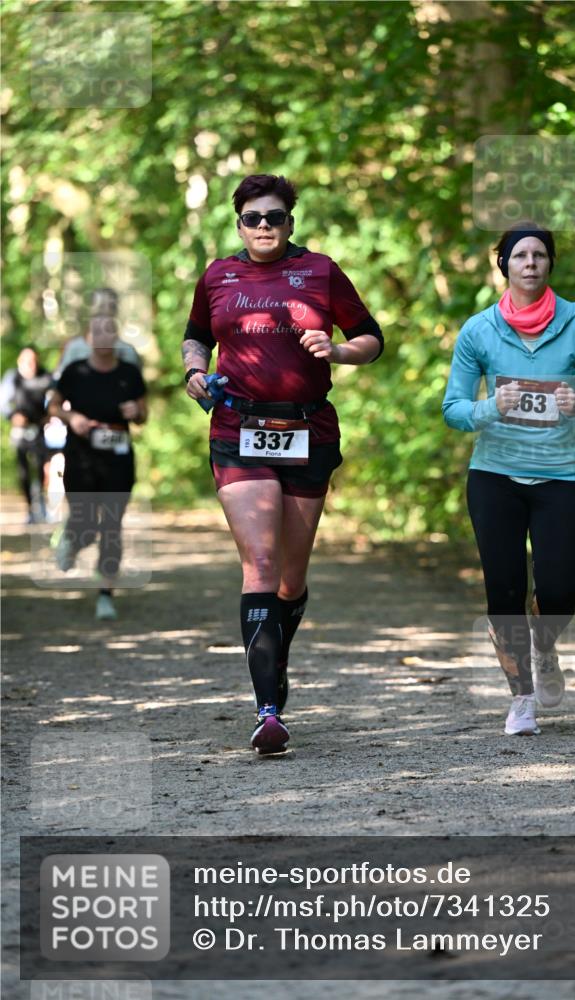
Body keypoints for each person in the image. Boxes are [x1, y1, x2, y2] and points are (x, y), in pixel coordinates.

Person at [183, 173, 383, 753]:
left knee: (291, 578)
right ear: (239, 224)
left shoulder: (320, 271)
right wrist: (195, 373)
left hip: (307, 427)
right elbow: (196, 337)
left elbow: (370, 336)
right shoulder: (218, 275)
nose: (264, 227)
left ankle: (275, 649)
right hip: (238, 427)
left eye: (274, 217)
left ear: (290, 222)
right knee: (262, 562)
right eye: (253, 218)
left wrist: (338, 350)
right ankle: (268, 710)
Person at [442, 222, 575, 736]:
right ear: (505, 266)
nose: (531, 263)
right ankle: (521, 699)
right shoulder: (479, 331)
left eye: (540, 255)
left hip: (562, 476)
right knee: (504, 591)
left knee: (560, 590)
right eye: (521, 256)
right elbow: (452, 409)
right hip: (495, 476)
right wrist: (492, 407)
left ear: (550, 264)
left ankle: (546, 645)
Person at [48, 315, 147, 621]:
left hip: (118, 458)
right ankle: (73, 540)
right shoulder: (75, 372)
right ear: (87, 338)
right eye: (97, 331)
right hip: (80, 457)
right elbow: (52, 405)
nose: (104, 336)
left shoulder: (129, 372)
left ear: (116, 336)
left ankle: (105, 593)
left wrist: (136, 411)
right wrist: (70, 418)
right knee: (86, 522)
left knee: (112, 526)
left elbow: (144, 414)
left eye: (109, 330)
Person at [0, 346, 53, 522]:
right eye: (27, 361)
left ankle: (42, 506)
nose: (31, 365)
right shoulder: (12, 377)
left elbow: (56, 397)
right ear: (20, 361)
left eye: (33, 361)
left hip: (39, 430)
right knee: (23, 471)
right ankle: (30, 509)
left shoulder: (45, 376)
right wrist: (13, 415)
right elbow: (3, 403)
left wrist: (51, 414)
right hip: (20, 431)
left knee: (41, 468)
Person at [54, 288, 142, 377]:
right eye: (100, 306)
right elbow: (61, 380)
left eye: (110, 306)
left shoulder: (127, 351)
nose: (105, 311)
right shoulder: (75, 348)